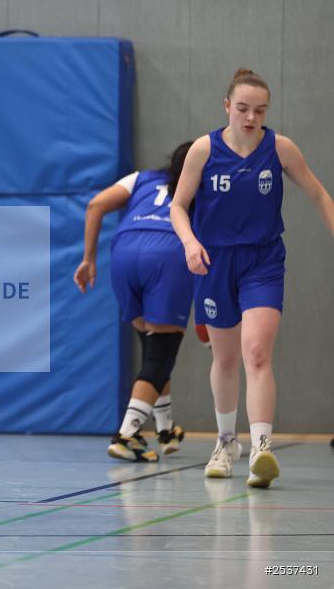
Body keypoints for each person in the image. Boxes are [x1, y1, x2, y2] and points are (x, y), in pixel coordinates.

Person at [170, 68, 334, 488]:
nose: (250, 117)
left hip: (263, 261)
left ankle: (262, 448)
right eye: (242, 108)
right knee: (224, 359)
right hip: (214, 261)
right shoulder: (204, 150)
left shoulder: (280, 149)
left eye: (259, 110)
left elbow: (317, 192)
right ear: (227, 106)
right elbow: (178, 206)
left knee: (257, 352)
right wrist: (189, 243)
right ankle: (226, 442)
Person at [75, 142, 193, 463]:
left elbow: (95, 205)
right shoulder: (204, 186)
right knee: (160, 356)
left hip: (124, 254)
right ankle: (126, 435)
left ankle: (166, 429)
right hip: (168, 254)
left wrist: (88, 259)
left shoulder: (143, 177)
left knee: (154, 351)